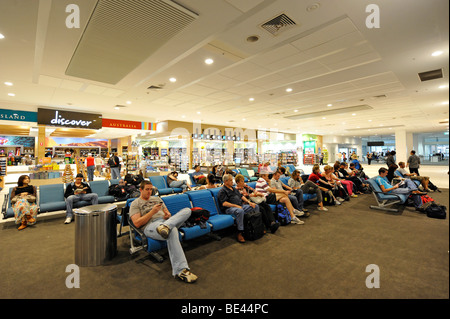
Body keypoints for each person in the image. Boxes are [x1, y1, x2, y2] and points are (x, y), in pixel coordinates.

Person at [129, 180, 198, 283]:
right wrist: (152, 212)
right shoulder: (135, 203)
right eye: (147, 190)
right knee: (172, 230)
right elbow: (137, 224)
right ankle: (181, 270)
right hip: (150, 226)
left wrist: (167, 216)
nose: (149, 192)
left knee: (187, 210)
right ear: (140, 190)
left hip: (165, 222)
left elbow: (168, 214)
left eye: (150, 189)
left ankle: (166, 226)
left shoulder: (157, 199)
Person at [218, 174, 262, 243]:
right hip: (229, 209)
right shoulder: (222, 191)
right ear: (225, 181)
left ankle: (256, 226)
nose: (232, 181)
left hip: (240, 206)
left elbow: (241, 196)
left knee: (255, 206)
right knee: (240, 211)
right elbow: (224, 203)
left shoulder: (234, 189)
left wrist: (249, 202)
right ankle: (240, 232)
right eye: (230, 180)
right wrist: (236, 206)